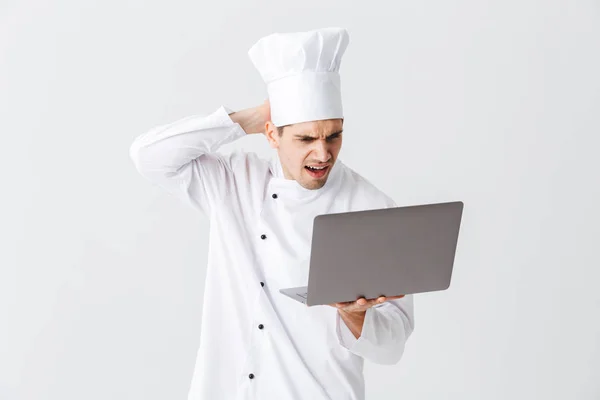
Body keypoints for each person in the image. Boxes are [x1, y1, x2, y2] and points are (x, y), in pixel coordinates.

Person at [129, 27, 414, 400]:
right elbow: (148, 157)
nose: (323, 154)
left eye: (333, 136)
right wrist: (245, 118)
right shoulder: (234, 183)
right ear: (271, 134)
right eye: (305, 138)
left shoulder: (371, 207)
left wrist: (355, 317)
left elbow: (393, 347)